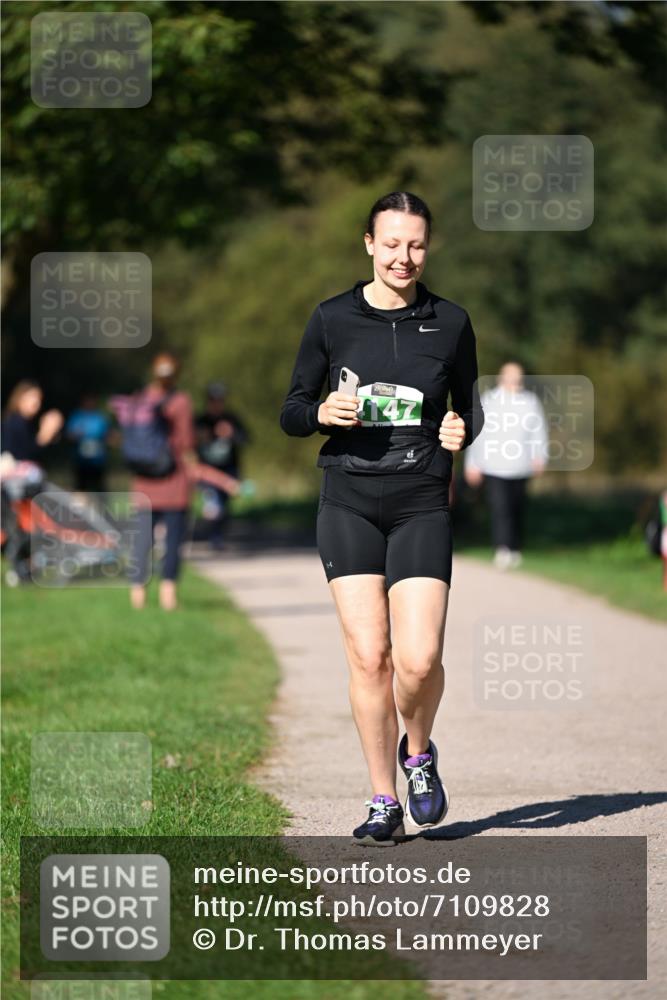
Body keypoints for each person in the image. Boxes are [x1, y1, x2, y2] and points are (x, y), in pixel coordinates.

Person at [280, 191, 484, 845]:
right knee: (370, 658)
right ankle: (382, 799)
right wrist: (319, 413)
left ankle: (417, 753)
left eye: (416, 244)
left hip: (420, 501)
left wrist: (460, 430)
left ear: (428, 247)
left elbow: (469, 408)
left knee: (418, 662)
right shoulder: (331, 318)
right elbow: (291, 409)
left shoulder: (450, 322)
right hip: (348, 500)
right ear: (369, 243)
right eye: (391, 243)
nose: (404, 256)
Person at [120, 354, 195, 612]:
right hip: (174, 482)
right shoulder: (181, 401)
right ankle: (168, 597)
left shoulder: (139, 398)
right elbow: (186, 442)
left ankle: (137, 597)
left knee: (142, 541)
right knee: (172, 541)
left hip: (143, 483)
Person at [464, 362, 548, 570]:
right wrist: (472, 463)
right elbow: (479, 434)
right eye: (511, 377)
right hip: (494, 465)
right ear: (502, 378)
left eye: (518, 378)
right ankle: (502, 548)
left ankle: (515, 547)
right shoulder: (489, 400)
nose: (515, 382)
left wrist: (540, 456)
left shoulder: (530, 401)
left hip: (521, 465)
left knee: (517, 508)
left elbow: (538, 431)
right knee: (500, 508)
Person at [195, 381, 249, 550]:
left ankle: (216, 536)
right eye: (213, 400)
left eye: (219, 400)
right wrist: (207, 435)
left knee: (224, 505)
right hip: (207, 470)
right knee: (214, 503)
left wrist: (232, 434)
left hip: (228, 468)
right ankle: (213, 535)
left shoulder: (231, 419)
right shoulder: (201, 421)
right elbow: (190, 444)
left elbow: (246, 439)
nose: (217, 403)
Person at [1, 380, 63, 462]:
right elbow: (19, 456)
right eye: (33, 396)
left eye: (39, 399)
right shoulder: (14, 422)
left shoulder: (27, 424)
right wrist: (44, 435)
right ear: (20, 397)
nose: (36, 402)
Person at [65, 393, 111, 494]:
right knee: (80, 488)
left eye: (92, 400)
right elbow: (69, 435)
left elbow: (107, 435)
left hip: (97, 460)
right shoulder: (76, 416)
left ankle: (101, 504)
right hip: (80, 460)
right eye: (87, 400)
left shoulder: (100, 417)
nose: (90, 403)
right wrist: (76, 435)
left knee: (99, 488)